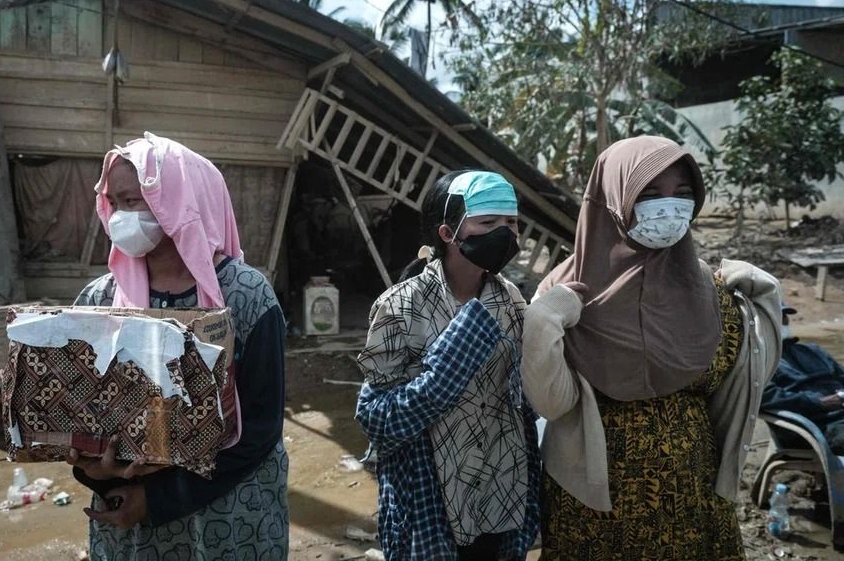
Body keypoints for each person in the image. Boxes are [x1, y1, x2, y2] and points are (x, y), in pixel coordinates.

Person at [523, 136, 783, 560]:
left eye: (683, 195)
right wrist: (542, 322)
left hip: (694, 494)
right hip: (595, 506)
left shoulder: (711, 291)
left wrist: (756, 312)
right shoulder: (563, 294)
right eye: (649, 194)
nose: (670, 208)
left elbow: (731, 390)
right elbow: (552, 404)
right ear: (614, 199)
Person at [68, 133, 288, 560]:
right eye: (116, 203)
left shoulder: (245, 297)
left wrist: (160, 499)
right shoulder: (97, 302)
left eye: (136, 201)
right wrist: (94, 473)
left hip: (228, 522)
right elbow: (77, 422)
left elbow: (260, 428)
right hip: (131, 528)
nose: (122, 216)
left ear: (181, 202)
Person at [355, 170, 541, 560]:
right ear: (447, 233)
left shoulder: (511, 301)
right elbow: (377, 418)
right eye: (488, 222)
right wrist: (444, 375)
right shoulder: (400, 306)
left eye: (511, 222)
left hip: (500, 488)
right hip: (430, 496)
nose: (505, 233)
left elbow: (527, 400)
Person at [762, 304, 844, 453]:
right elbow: (765, 397)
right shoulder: (764, 361)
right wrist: (819, 402)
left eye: (785, 316)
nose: (783, 321)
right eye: (777, 317)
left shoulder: (813, 350)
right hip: (815, 428)